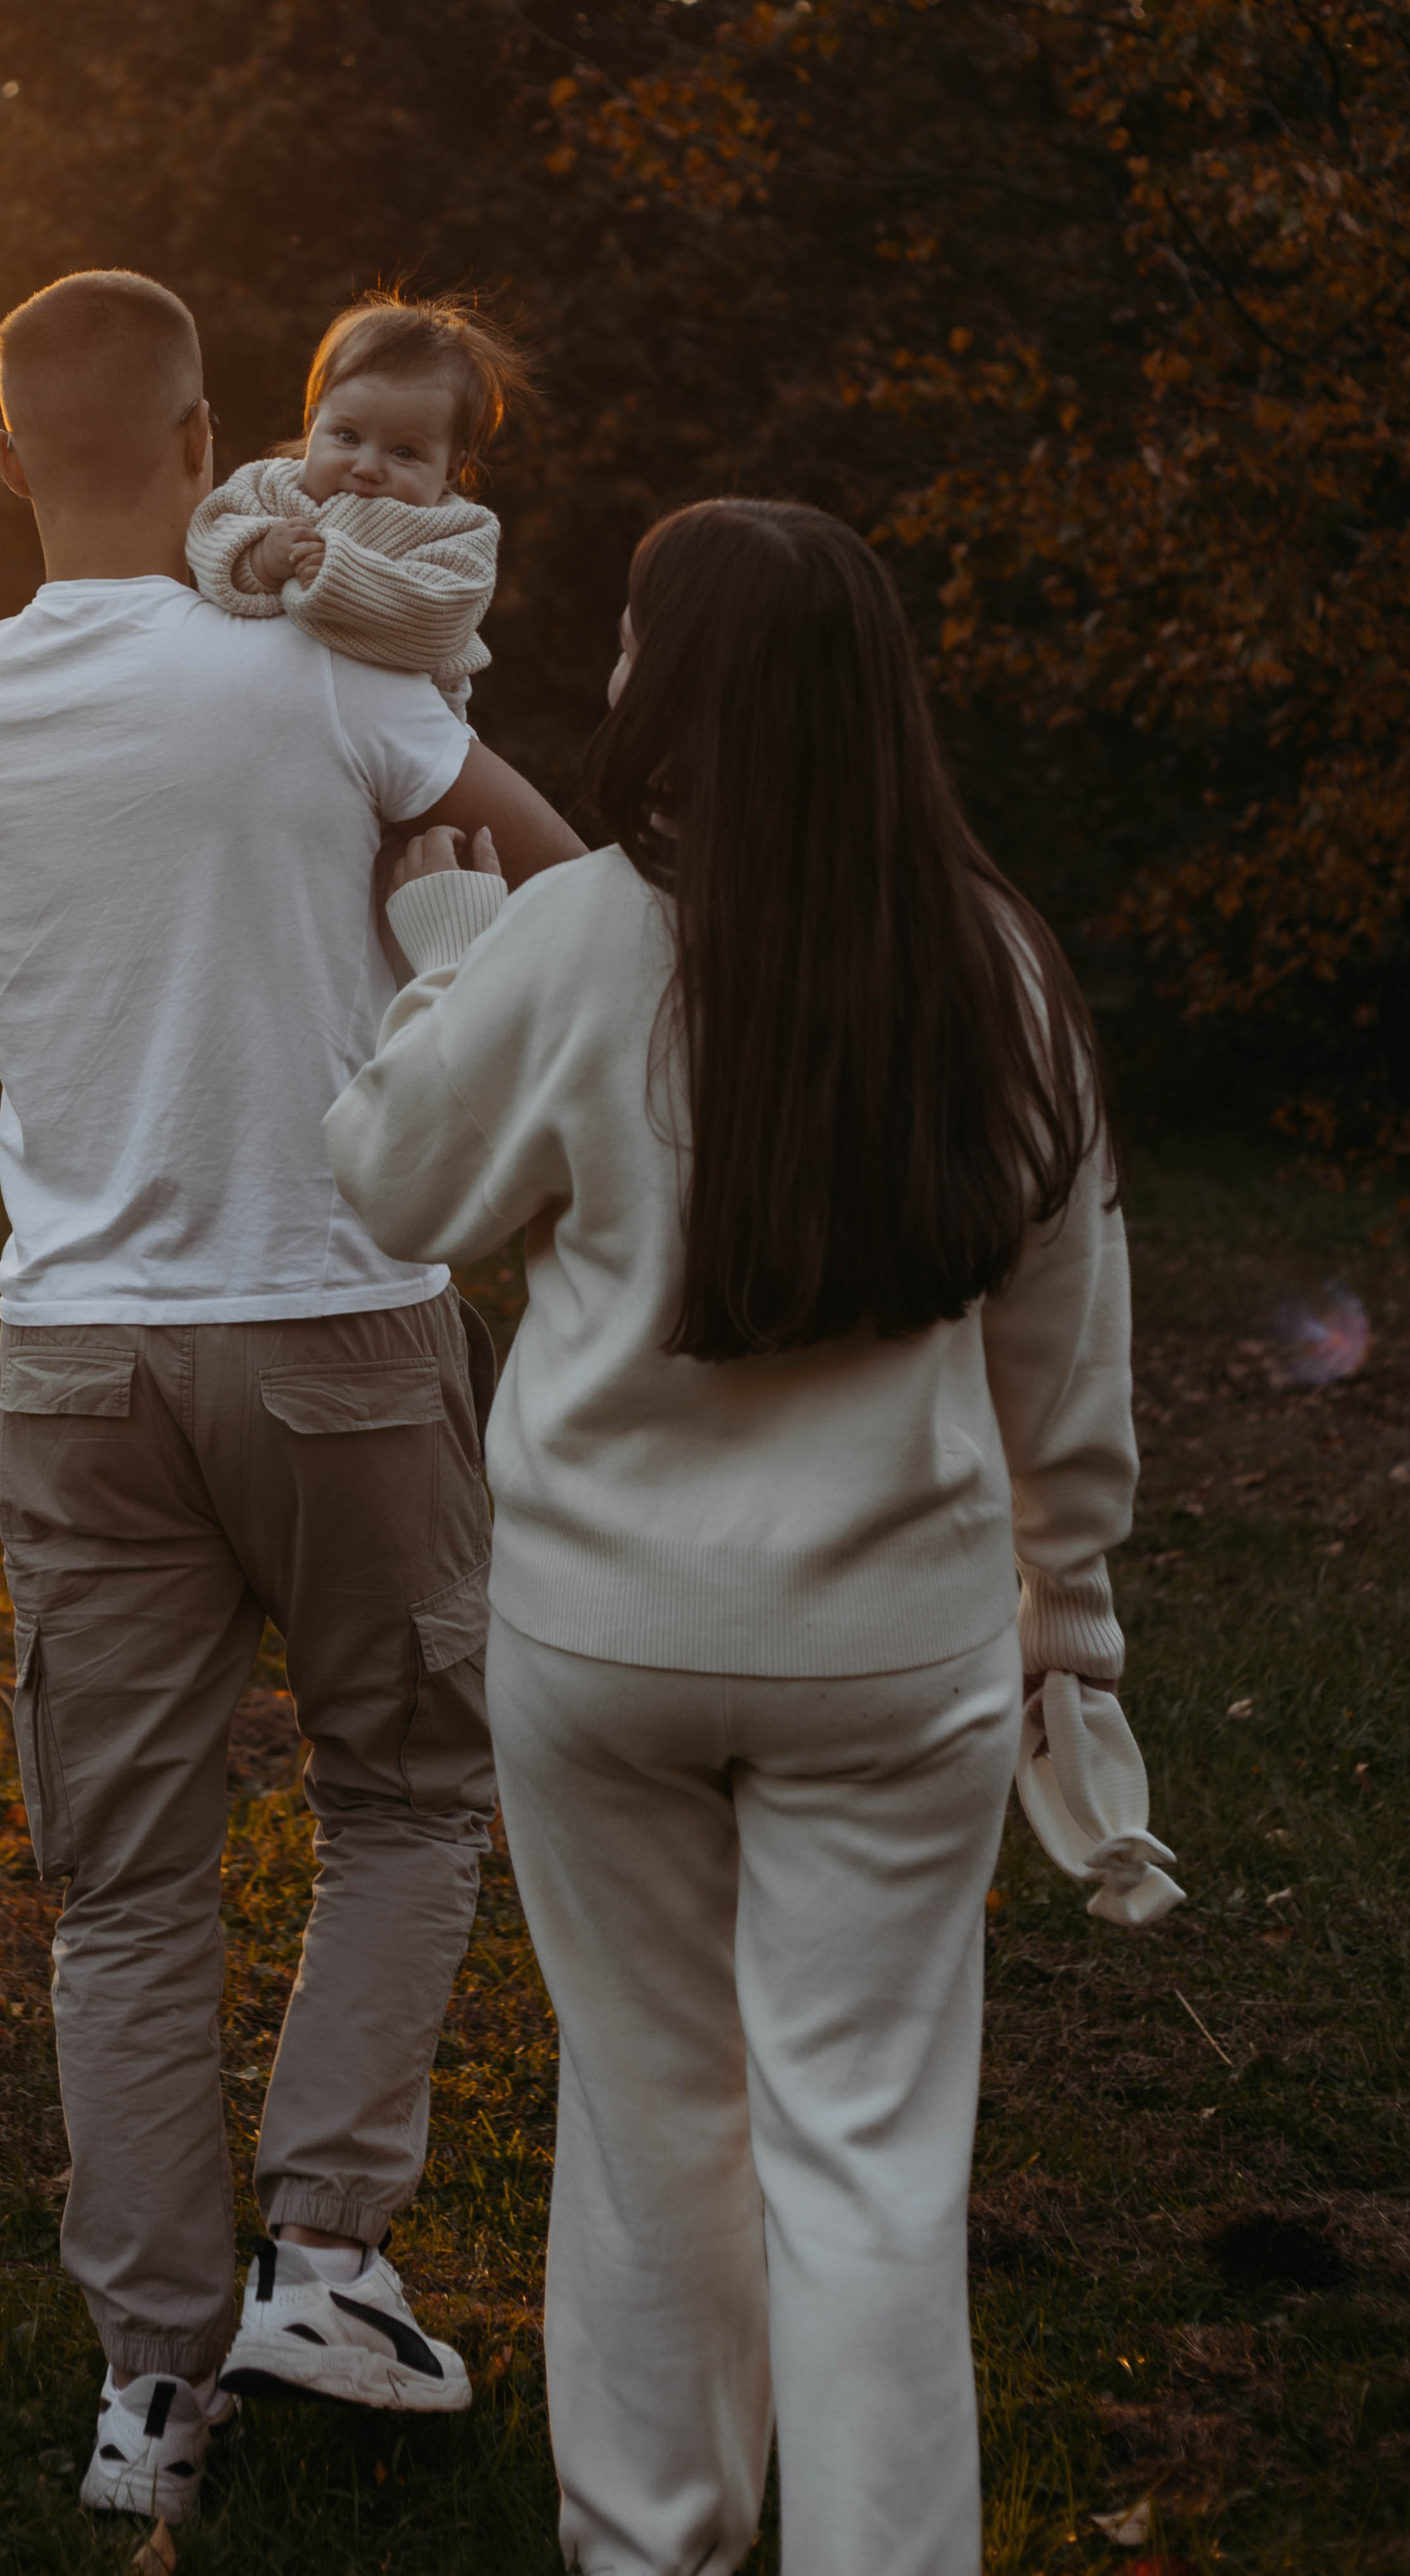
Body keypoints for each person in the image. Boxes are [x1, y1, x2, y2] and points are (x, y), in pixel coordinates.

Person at [324, 497, 1137, 2576]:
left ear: (675, 684)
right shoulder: (994, 953)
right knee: (865, 2155)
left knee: (649, 2110)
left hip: (605, 1639)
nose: (601, 677)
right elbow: (1062, 1339)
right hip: (897, 1644)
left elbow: (397, 1186)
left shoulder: (576, 928)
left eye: (620, 643)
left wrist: (432, 960)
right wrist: (1079, 1618)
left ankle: (652, 2544)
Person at [0, 268, 586, 2528]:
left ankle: (150, 2397)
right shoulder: (315, 677)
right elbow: (567, 902)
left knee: (122, 1885)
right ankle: (335, 2254)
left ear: (9, 459)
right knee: (406, 1786)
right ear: (216, 445)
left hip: (75, 1354)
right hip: (335, 1319)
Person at [188, 289, 512, 717]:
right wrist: (261, 560)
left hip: (398, 731)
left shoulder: (460, 529)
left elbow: (442, 617)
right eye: (348, 437)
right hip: (263, 709)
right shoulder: (266, 487)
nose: (367, 467)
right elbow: (205, 544)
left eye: (404, 453)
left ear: (451, 469)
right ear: (313, 422)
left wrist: (341, 576)